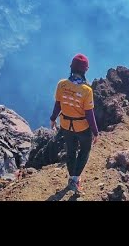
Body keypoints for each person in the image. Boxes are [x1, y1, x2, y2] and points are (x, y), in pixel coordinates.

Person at [49, 53, 99, 194]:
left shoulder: (62, 84)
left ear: (71, 68)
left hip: (65, 125)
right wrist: (95, 132)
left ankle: (72, 177)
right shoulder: (86, 90)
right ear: (85, 70)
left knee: (70, 152)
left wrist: (53, 119)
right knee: (85, 150)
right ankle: (75, 179)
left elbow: (58, 105)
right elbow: (89, 114)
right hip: (82, 127)